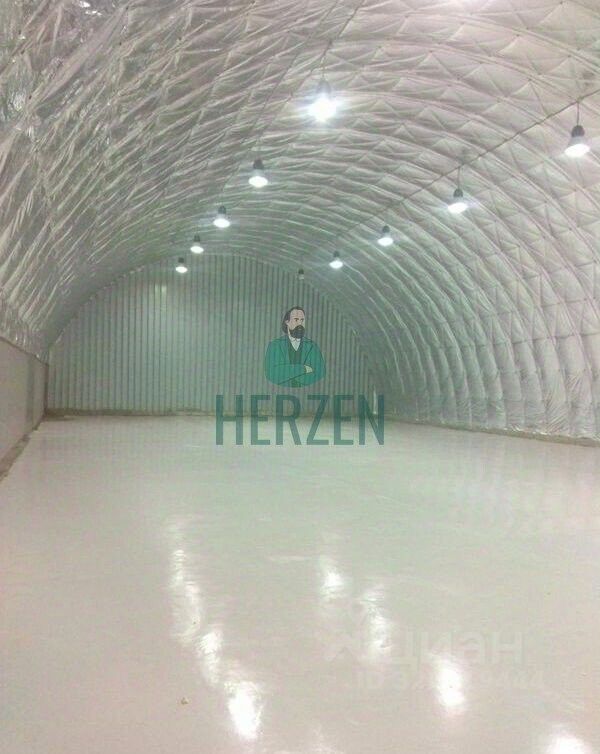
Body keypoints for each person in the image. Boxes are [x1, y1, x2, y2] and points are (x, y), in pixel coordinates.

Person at [264, 306, 325, 387]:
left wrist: (287, 374)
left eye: (302, 320)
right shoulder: (275, 345)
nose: (300, 323)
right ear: (287, 322)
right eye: (296, 320)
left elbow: (320, 372)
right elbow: (271, 374)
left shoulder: (312, 346)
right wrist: (304, 369)